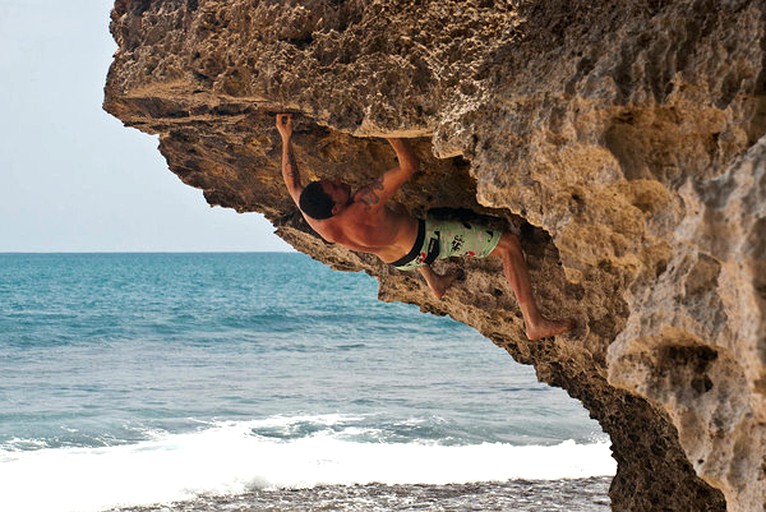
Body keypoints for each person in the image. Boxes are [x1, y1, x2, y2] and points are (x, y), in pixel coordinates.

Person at [276, 114, 575, 340]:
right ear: (337, 207)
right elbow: (409, 167)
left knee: (399, 212)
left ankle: (434, 282)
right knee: (508, 244)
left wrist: (286, 137)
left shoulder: (319, 221)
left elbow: (292, 183)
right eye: (335, 187)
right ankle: (533, 322)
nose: (339, 180)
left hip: (401, 262)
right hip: (428, 243)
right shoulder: (364, 203)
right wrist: (385, 129)